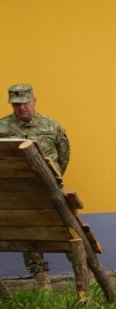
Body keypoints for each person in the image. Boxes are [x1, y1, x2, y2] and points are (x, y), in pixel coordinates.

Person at [0, 83, 71, 289]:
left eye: (25, 103)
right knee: (28, 233)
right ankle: (41, 277)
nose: (21, 108)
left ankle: (81, 266)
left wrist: (53, 178)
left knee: (66, 228)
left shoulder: (51, 126)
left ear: (34, 100)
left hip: (49, 188)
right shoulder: (2, 128)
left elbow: (64, 155)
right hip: (18, 192)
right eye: (16, 104)